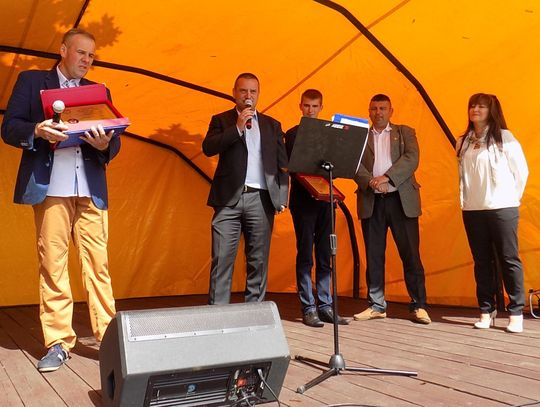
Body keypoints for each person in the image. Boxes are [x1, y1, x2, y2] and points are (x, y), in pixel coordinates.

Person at [1, 28, 120, 372]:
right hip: (51, 187)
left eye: (91, 56)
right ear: (63, 49)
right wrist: (37, 130)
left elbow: (113, 141)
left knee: (98, 265)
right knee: (52, 264)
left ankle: (110, 341)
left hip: (90, 188)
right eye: (82, 53)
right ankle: (58, 342)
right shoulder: (31, 81)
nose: (87, 60)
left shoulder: (99, 91)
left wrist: (105, 145)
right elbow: (9, 127)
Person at [202, 72, 288, 305]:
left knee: (258, 261)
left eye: (253, 91)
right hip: (228, 199)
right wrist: (237, 128)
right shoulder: (221, 120)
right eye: (243, 91)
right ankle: (217, 315)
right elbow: (208, 148)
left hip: (261, 199)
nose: (248, 95)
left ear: (258, 94)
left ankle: (254, 314)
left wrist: (281, 197)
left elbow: (282, 164)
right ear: (234, 93)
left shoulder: (272, 125)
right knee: (222, 259)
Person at [353, 94, 430, 324]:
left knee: (410, 254)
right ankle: (376, 305)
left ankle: (419, 305)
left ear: (391, 111)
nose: (378, 112)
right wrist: (372, 181)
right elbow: (353, 164)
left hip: (401, 201)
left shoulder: (405, 132)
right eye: (374, 108)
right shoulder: (360, 136)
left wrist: (386, 177)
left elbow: (412, 158)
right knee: (373, 255)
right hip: (372, 201)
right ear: (369, 111)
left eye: (383, 108)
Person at [456, 93, 528, 333]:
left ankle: (515, 312)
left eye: (481, 106)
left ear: (491, 111)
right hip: (473, 209)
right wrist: (465, 201)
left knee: (508, 258)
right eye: (472, 105)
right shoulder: (463, 141)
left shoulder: (505, 137)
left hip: (503, 207)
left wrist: (510, 198)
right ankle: (486, 310)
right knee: (481, 261)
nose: (475, 109)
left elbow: (521, 172)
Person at [284, 89, 348, 327]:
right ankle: (308, 307)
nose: (310, 110)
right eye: (307, 106)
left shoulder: (330, 134)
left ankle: (325, 305)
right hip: (303, 202)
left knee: (325, 255)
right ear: (300, 106)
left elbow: (337, 167)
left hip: (326, 201)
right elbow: (292, 168)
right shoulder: (292, 134)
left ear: (321, 108)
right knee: (305, 254)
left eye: (314, 106)